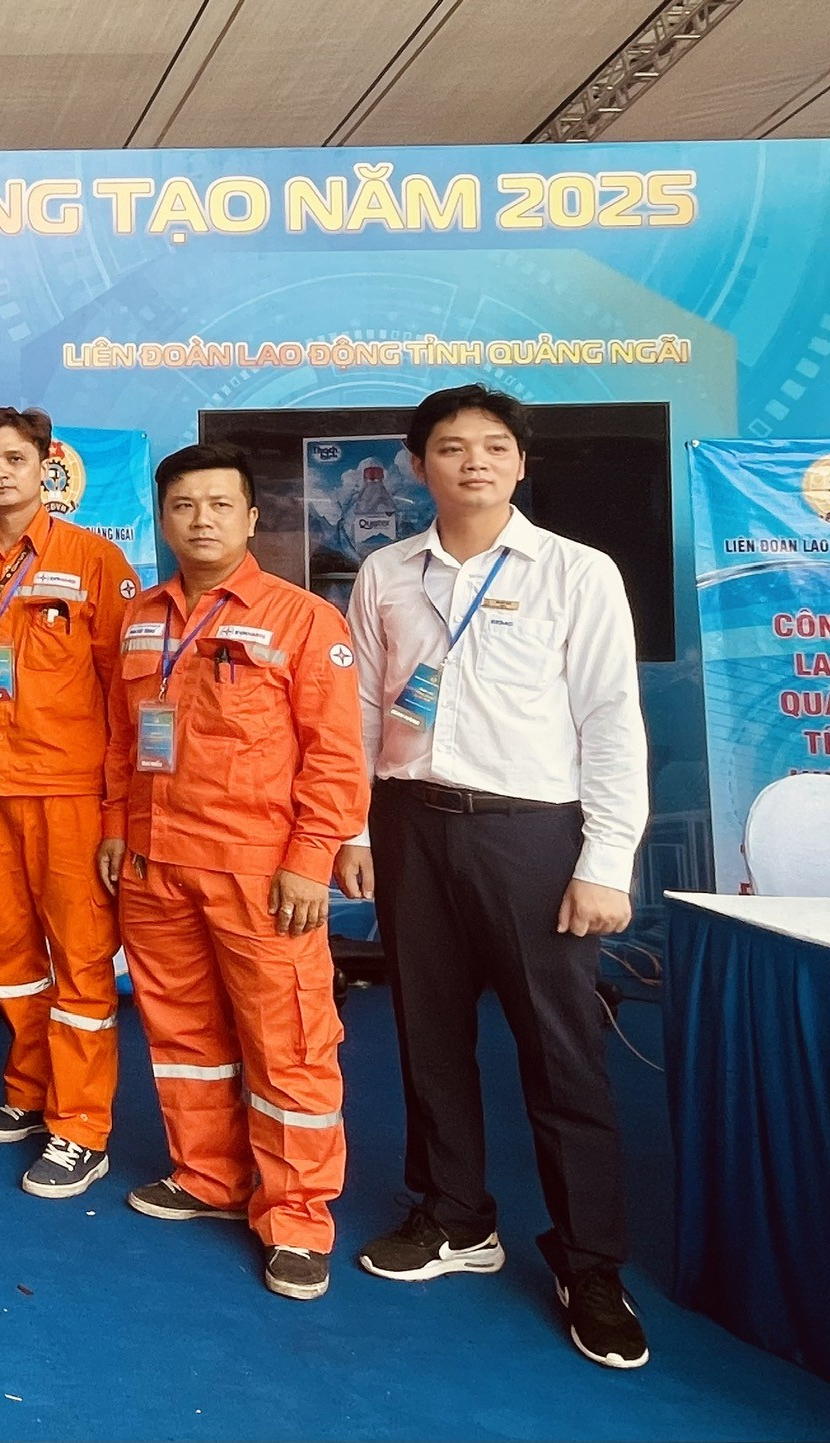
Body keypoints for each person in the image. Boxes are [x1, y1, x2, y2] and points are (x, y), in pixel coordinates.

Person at [336, 385, 651, 1368]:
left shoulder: (576, 572)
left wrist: (605, 861)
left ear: (520, 462)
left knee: (561, 1053)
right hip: (410, 825)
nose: (472, 460)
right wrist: (355, 828)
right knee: (428, 1035)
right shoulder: (385, 571)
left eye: (493, 445)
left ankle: (589, 1262)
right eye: (449, 446)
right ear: (416, 464)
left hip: (532, 835)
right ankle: (456, 1216)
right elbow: (358, 709)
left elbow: (611, 720)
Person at [96, 442, 368, 1302]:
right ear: (162, 519)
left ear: (252, 517)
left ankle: (296, 1217)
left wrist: (310, 860)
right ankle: (208, 1176)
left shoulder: (302, 620)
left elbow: (335, 756)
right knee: (184, 1037)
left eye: (219, 504)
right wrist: (116, 828)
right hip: (156, 864)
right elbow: (121, 738)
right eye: (183, 505)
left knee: (288, 1045)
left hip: (259, 872)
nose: (201, 519)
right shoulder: (141, 616)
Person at [0, 406, 137, 1198]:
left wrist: (117, 809)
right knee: (7, 955)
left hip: (67, 789)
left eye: (14, 458)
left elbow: (126, 693)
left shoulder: (93, 559)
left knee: (79, 958)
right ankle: (31, 1089)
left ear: (45, 466)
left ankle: (81, 1127)